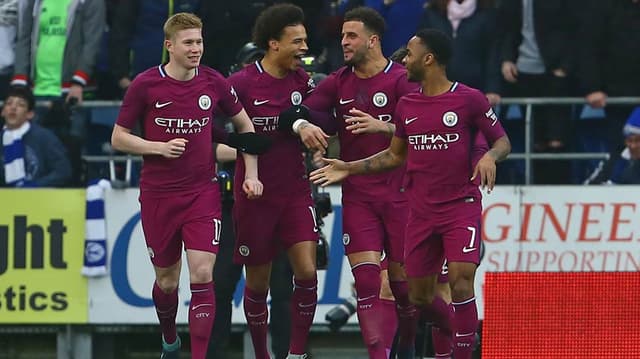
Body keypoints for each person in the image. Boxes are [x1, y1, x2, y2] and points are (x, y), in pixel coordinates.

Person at [308, 29, 511, 359]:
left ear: (428, 59)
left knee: (460, 281)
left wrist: (489, 156)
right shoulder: (407, 105)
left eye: (410, 54)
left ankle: (460, 348)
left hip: (460, 205)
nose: (403, 60)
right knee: (416, 295)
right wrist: (349, 167)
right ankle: (460, 333)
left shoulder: (469, 98)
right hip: (419, 211)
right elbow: (393, 156)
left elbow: (501, 141)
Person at [110, 13, 264, 359]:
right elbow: (118, 137)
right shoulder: (146, 85)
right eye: (189, 43)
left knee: (203, 272)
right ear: (170, 46)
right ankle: (169, 340)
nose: (196, 49)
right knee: (167, 281)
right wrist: (156, 147)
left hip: (202, 192)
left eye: (199, 42)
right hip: (159, 195)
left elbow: (245, 127)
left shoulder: (213, 82)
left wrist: (251, 173)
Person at [279, 7, 420, 358]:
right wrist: (303, 126)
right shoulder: (339, 82)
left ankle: (406, 343)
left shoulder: (402, 80)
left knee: (403, 288)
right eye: (342, 35)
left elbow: (428, 130)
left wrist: (384, 127)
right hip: (359, 197)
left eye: (351, 36)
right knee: (368, 282)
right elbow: (295, 111)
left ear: (373, 40)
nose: (343, 42)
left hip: (403, 196)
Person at [225, 4, 319, 359]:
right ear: (273, 44)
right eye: (296, 41)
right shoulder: (240, 84)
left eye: (305, 40)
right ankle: (262, 354)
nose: (303, 48)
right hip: (255, 197)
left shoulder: (304, 83)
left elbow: (319, 122)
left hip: (295, 191)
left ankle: (296, 353)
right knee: (257, 283)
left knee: (307, 272)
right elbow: (219, 134)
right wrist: (242, 155)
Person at [11, 0, 105, 138]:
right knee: (33, 152)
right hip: (36, 91)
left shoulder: (90, 3)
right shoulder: (35, 2)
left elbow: (92, 43)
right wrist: (20, 82)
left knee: (70, 151)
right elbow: (24, 39)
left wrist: (78, 81)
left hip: (71, 92)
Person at [1, 86, 71, 187]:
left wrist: (35, 186)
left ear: (30, 114)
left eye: (20, 105)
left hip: (41, 197)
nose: (13, 108)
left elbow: (63, 171)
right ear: (3, 112)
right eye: (9, 103)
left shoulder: (45, 137)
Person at [584, 107, 640, 185]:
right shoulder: (615, 157)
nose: (632, 146)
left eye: (638, 140)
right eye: (629, 140)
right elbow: (588, 186)